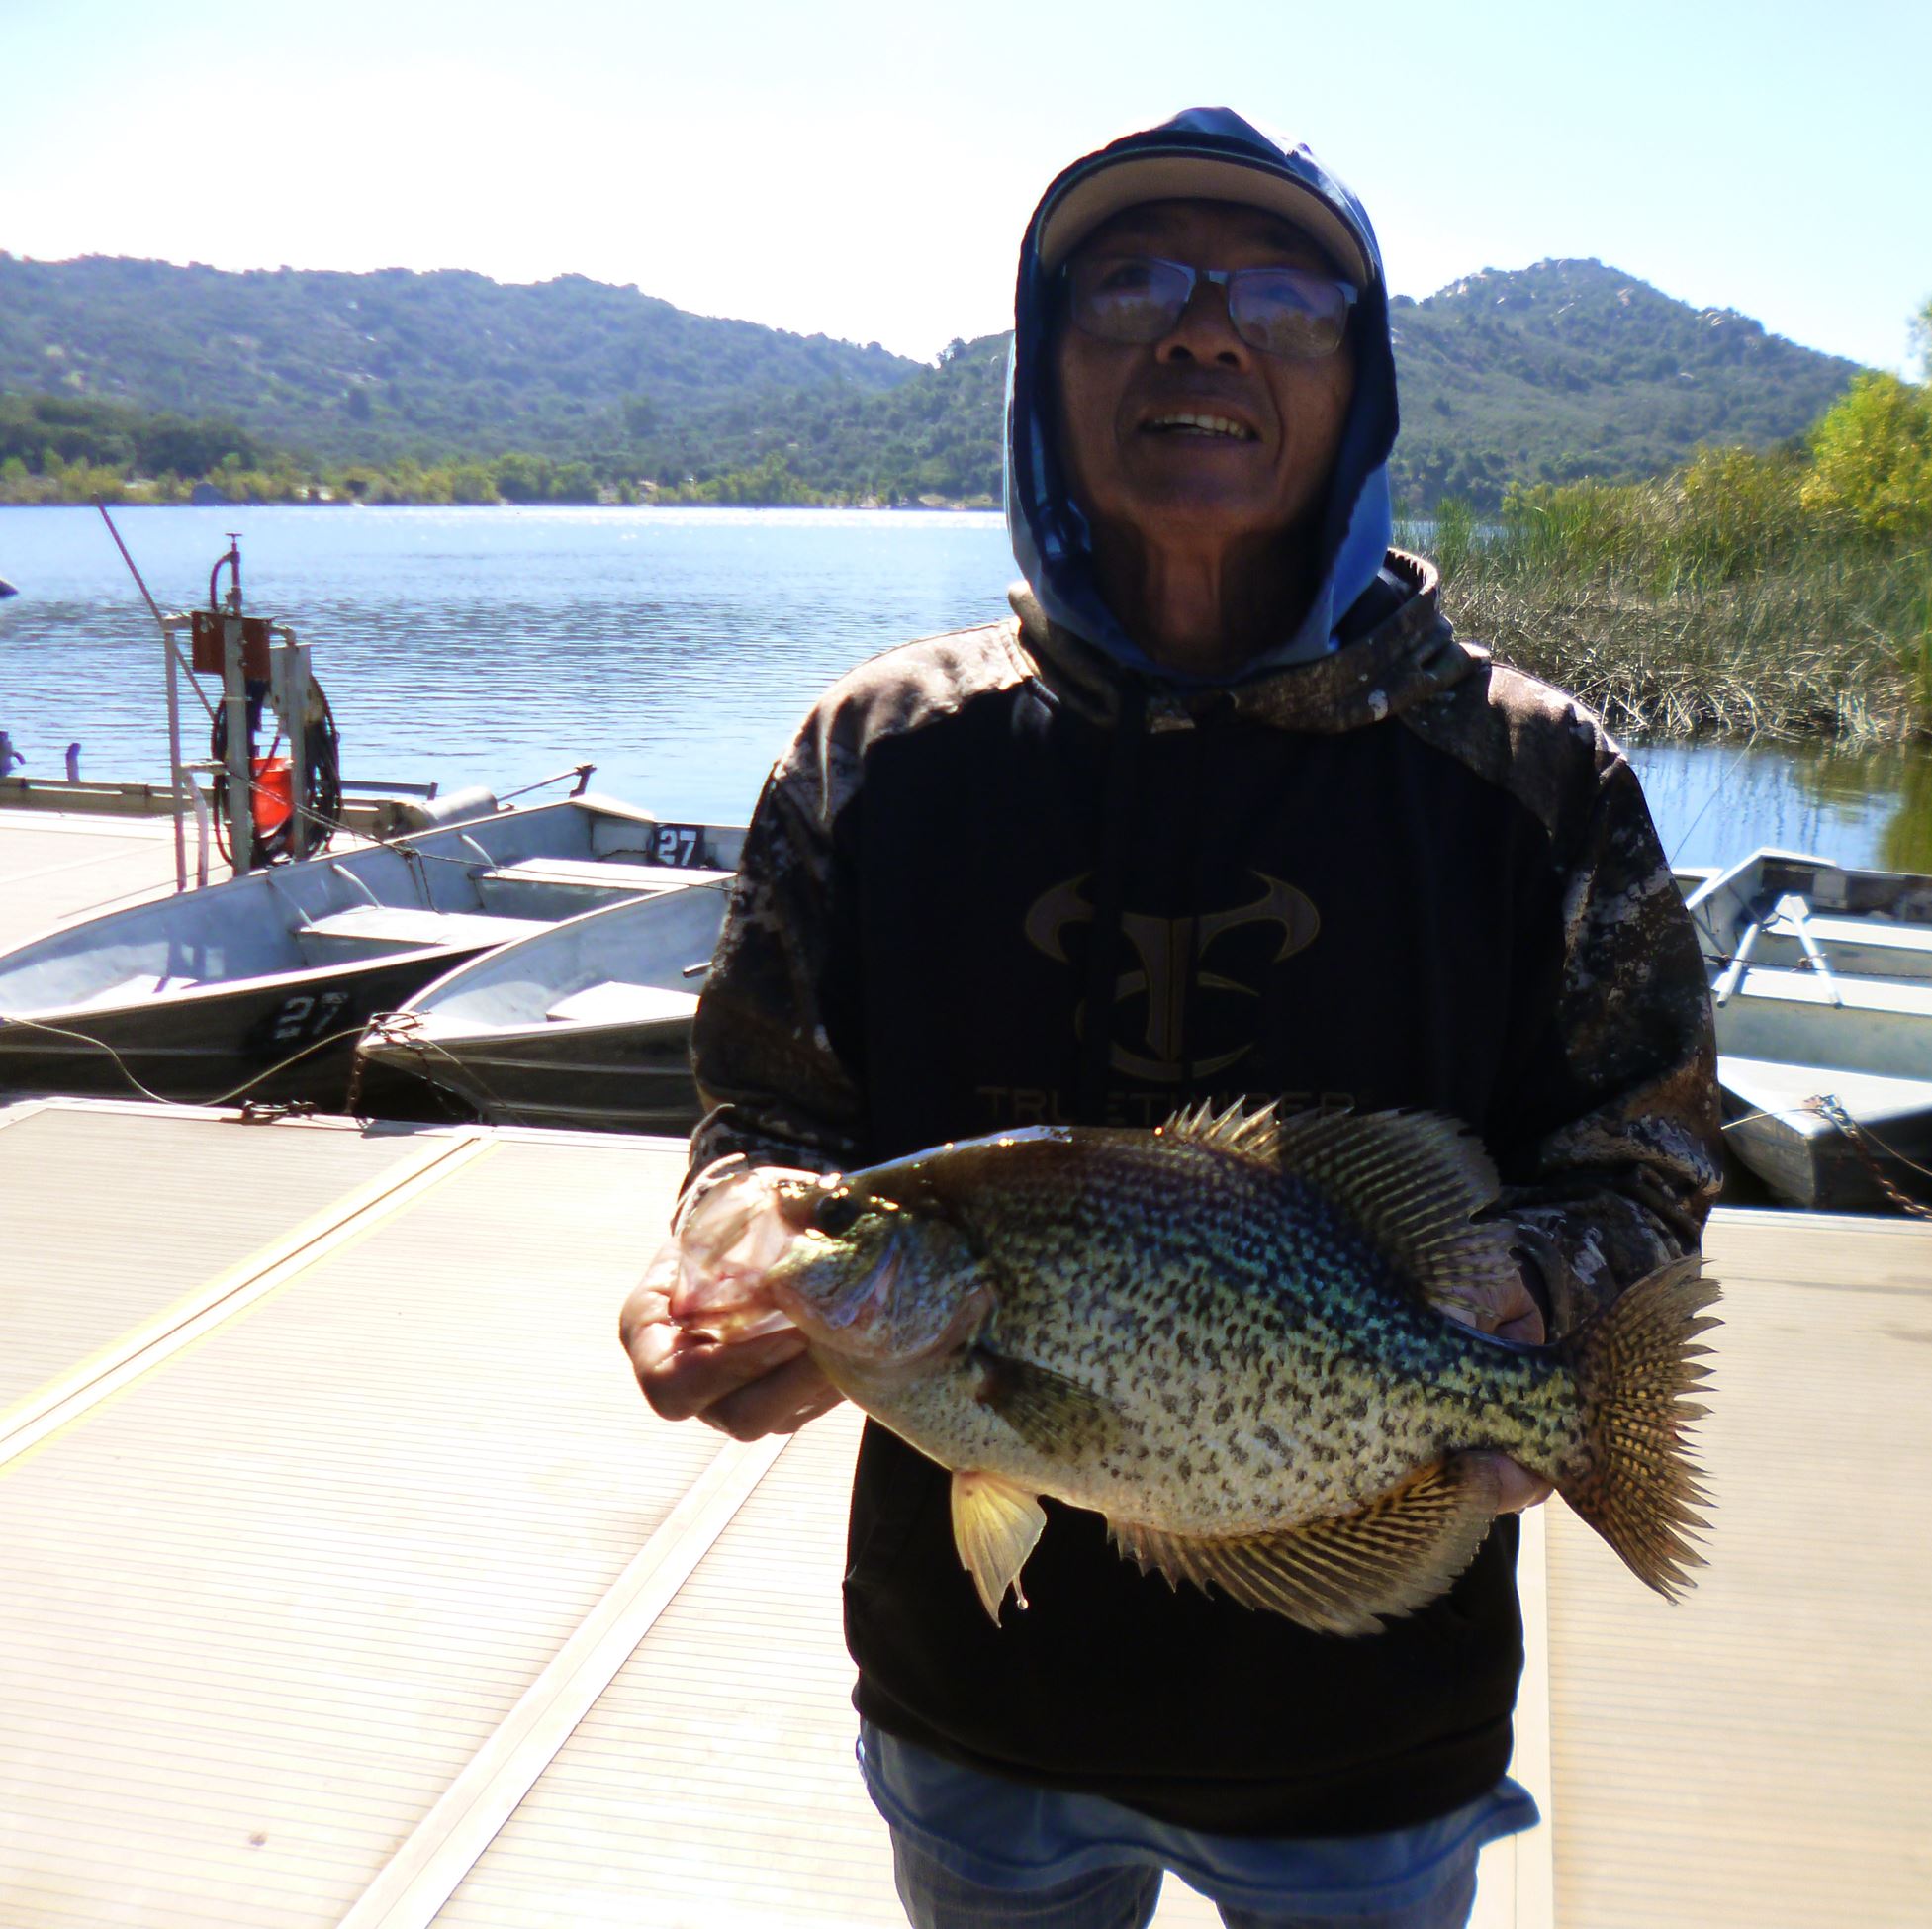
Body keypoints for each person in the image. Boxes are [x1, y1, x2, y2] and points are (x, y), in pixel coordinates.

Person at [619, 108, 1722, 1929]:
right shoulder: (872, 761)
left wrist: (1544, 1297)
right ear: (1045, 366)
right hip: (976, 1718)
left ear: (1358, 383)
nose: (1201, 331)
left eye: (1278, 297)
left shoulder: (1533, 775)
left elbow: (1645, 1149)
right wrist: (740, 1255)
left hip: (1371, 1729)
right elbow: (766, 1126)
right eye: (1130, 284)